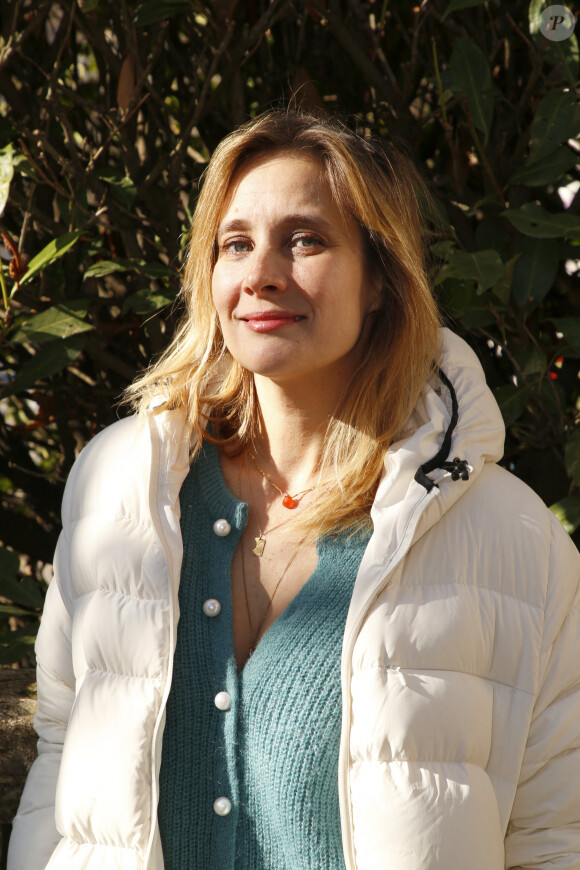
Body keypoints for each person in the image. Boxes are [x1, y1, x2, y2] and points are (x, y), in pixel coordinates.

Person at [8, 109, 580, 870]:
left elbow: (554, 834)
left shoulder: (511, 540)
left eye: (305, 239)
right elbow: (62, 776)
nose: (261, 275)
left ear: (381, 280)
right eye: (236, 243)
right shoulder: (122, 489)